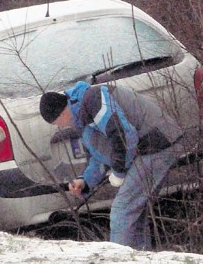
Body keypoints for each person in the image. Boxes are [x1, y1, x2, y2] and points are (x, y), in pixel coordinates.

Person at [40, 81, 185, 250]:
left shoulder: (93, 100)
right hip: (146, 149)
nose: (61, 126)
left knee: (121, 211)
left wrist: (118, 172)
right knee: (133, 213)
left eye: (57, 122)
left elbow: (124, 135)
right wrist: (85, 181)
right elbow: (100, 155)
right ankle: (141, 258)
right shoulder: (82, 117)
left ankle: (119, 258)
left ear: (62, 112)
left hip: (157, 143)